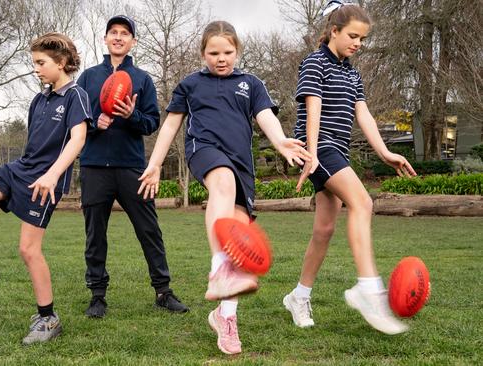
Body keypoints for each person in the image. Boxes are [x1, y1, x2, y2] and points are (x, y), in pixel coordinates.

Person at [138, 21, 311, 355]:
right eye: (213, 53)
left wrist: (280, 143)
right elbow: (172, 124)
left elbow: (265, 116)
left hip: (241, 163)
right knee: (222, 181)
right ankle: (218, 269)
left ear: (238, 51)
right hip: (204, 150)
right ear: (203, 53)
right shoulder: (190, 84)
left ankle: (225, 316)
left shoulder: (251, 83)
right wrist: (156, 163)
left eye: (228, 52)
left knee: (240, 242)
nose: (221, 58)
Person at [282, 1, 416, 335]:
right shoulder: (315, 63)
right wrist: (311, 154)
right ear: (334, 31)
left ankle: (299, 296)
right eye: (353, 35)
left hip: (336, 150)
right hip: (319, 148)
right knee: (363, 202)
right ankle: (368, 289)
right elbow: (312, 109)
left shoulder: (352, 73)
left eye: (363, 38)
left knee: (324, 230)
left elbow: (363, 115)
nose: (358, 43)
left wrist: (385, 152)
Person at [0, 32, 90, 345]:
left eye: (41, 62)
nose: (36, 68)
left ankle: (48, 318)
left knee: (28, 250)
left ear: (63, 62)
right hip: (21, 170)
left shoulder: (75, 96)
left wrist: (53, 175)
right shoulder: (39, 99)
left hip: (45, 181)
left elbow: (78, 140)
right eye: (34, 63)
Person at [76, 15, 188, 318]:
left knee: (149, 229)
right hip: (94, 166)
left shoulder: (142, 79)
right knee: (95, 234)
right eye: (113, 32)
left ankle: (163, 291)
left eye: (124, 33)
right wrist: (95, 124)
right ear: (105, 39)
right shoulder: (87, 77)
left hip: (132, 168)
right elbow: (77, 121)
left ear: (133, 41)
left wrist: (130, 115)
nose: (118, 37)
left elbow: (152, 123)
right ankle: (97, 296)